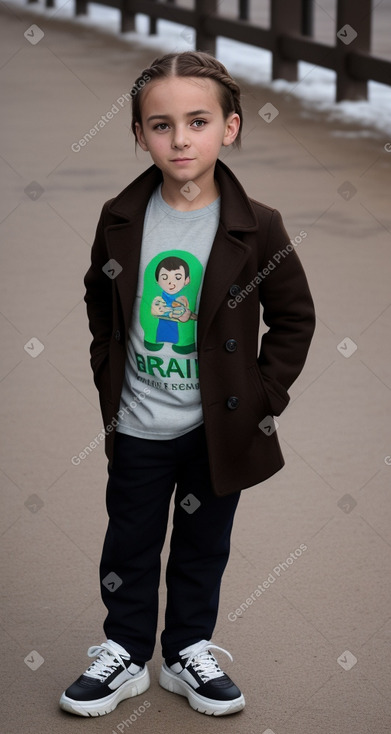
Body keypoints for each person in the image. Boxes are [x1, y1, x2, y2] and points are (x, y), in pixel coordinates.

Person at [59, 51, 315, 719]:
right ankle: (122, 650)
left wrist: (262, 400)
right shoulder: (121, 218)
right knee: (130, 541)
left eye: (196, 121)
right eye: (161, 124)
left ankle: (186, 651)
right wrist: (105, 372)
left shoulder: (257, 225)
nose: (179, 139)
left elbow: (293, 318)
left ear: (229, 127)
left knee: (204, 545)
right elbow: (98, 300)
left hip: (215, 428)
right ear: (140, 134)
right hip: (140, 422)